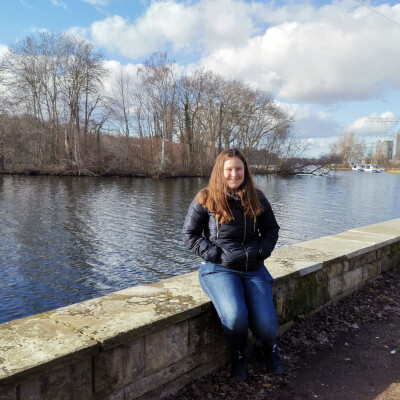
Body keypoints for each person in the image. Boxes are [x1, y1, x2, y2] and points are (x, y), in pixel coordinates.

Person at [182, 148, 283, 382]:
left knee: (267, 326)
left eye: (238, 169)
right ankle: (240, 354)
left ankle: (271, 348)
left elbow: (271, 230)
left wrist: (260, 252)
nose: (234, 174)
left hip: (254, 267)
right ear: (220, 171)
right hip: (219, 268)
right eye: (228, 169)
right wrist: (215, 254)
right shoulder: (205, 198)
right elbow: (189, 234)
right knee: (235, 316)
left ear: (245, 170)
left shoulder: (257, 197)